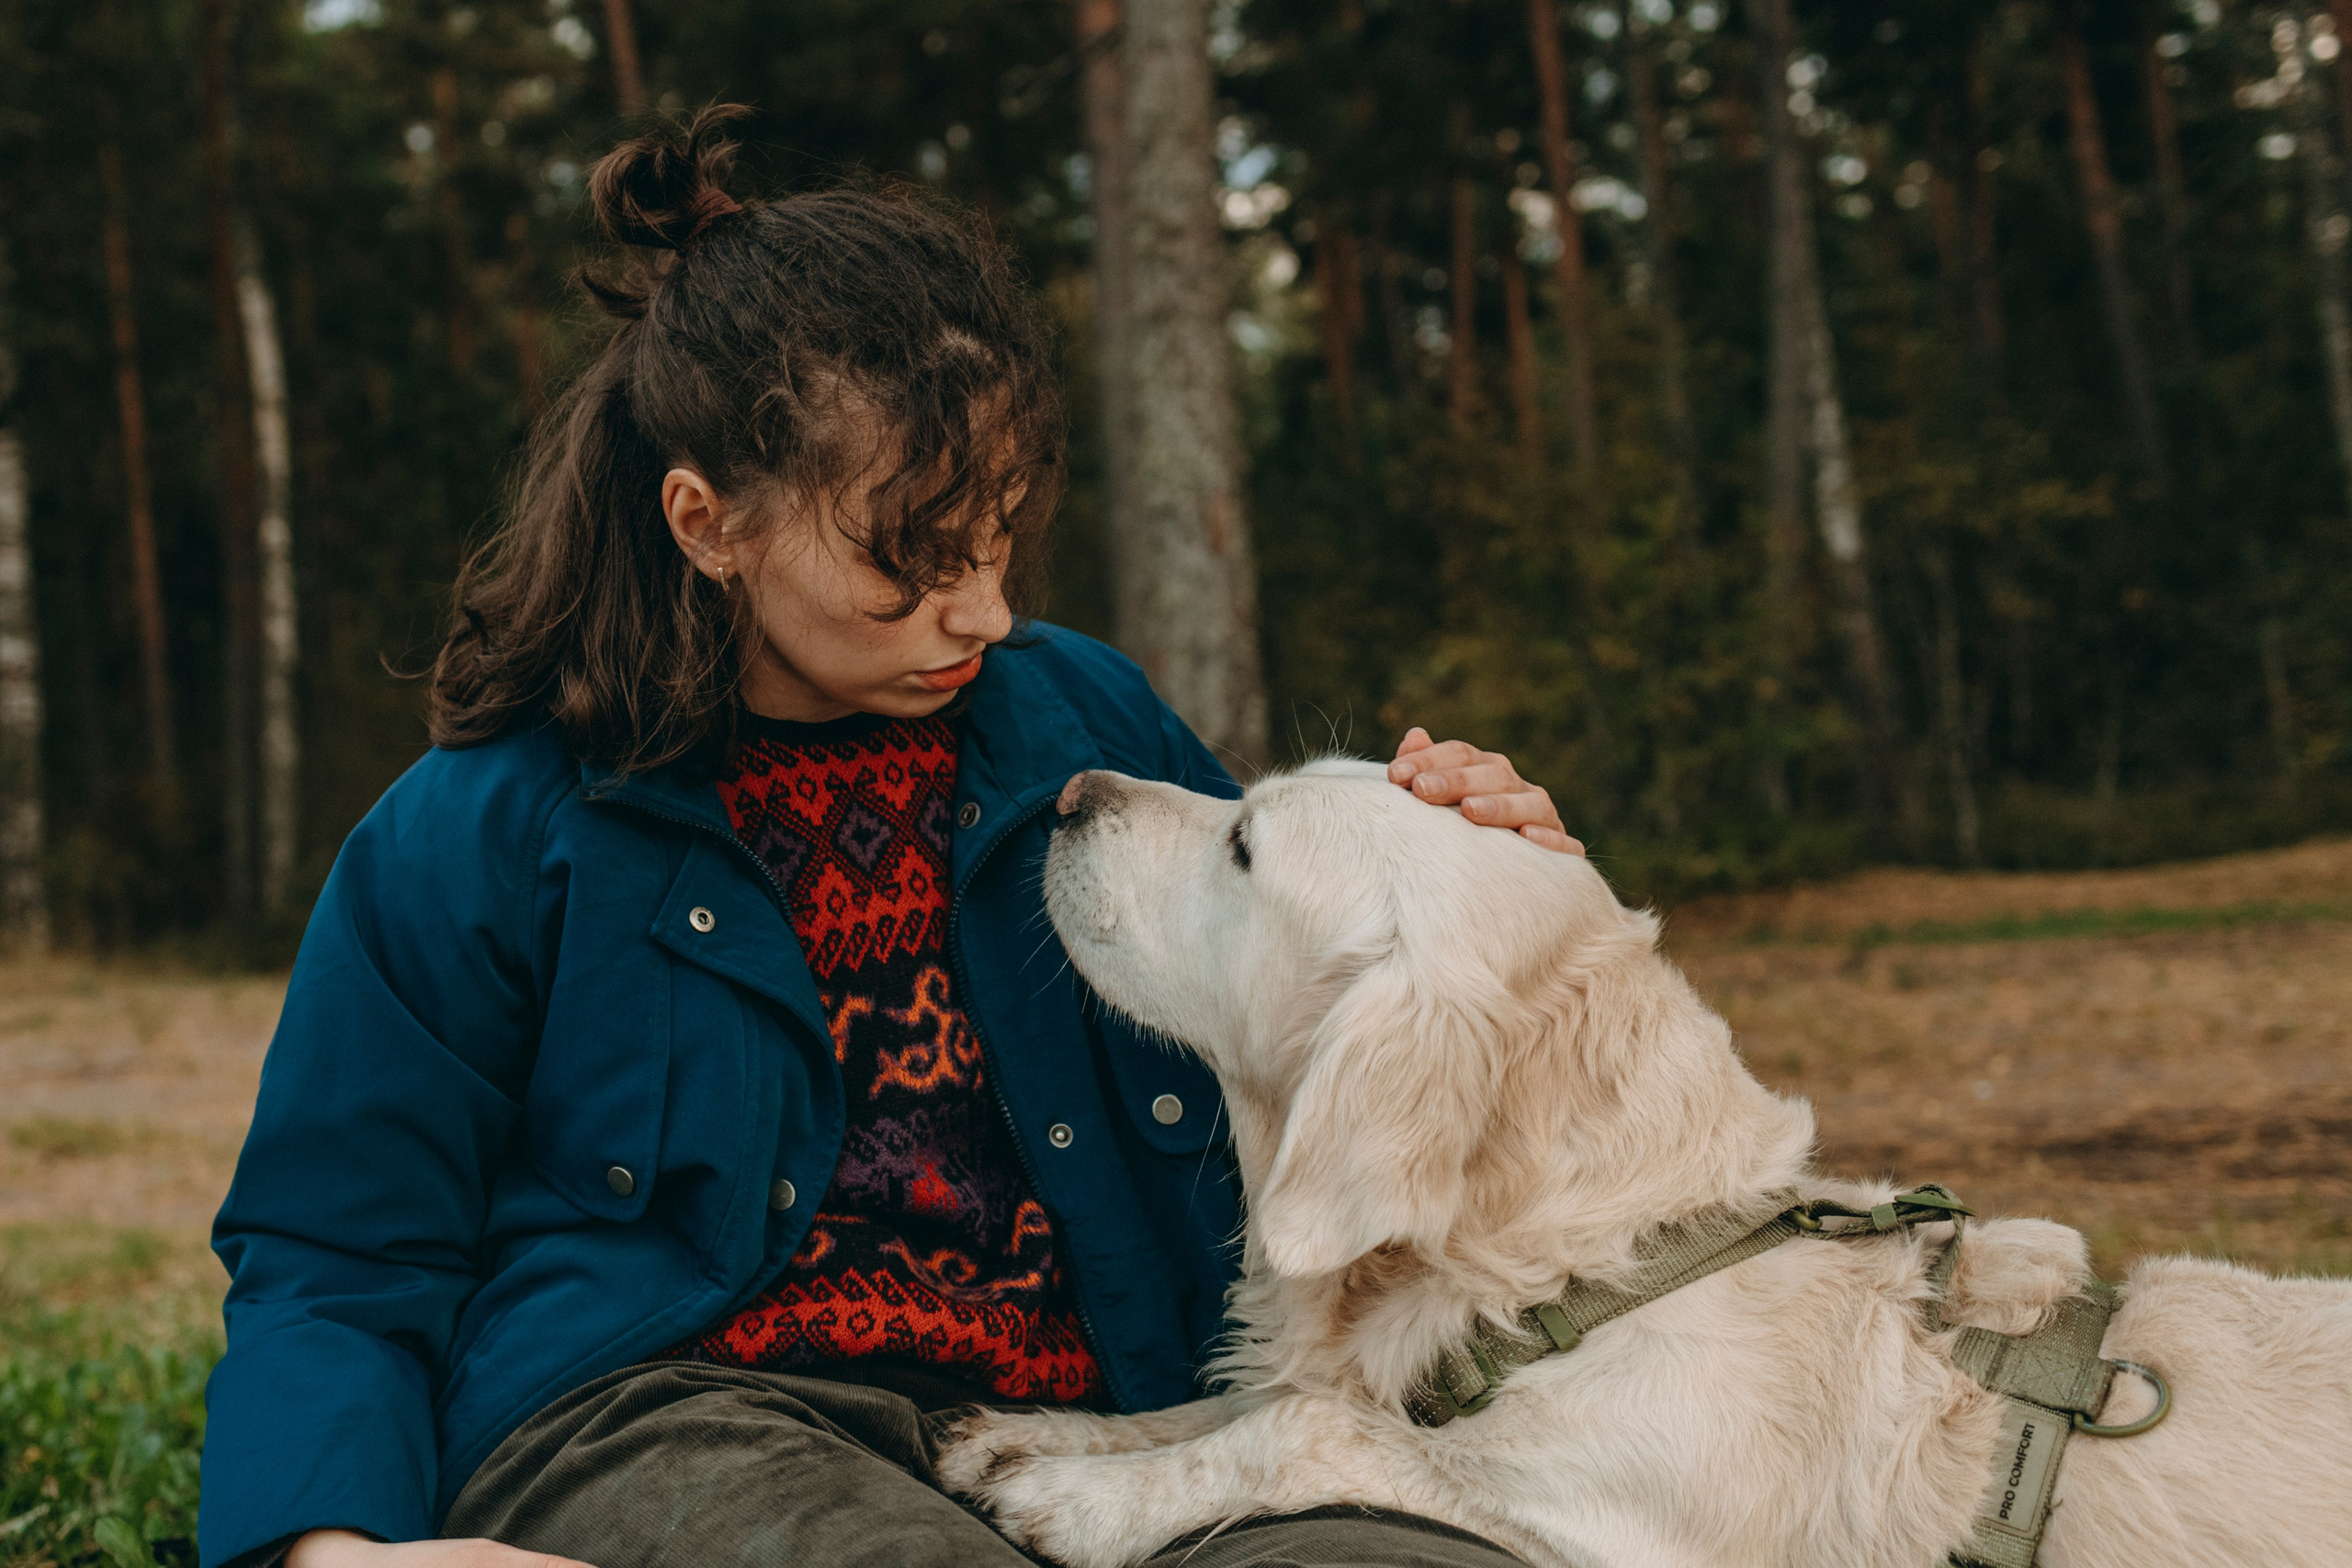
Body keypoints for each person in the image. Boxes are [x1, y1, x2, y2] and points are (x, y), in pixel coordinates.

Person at [198, 107, 1577, 1568]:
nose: (980, 610)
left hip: (1131, 1414)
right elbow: (337, 1254)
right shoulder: (479, 829)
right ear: (707, 521)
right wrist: (327, 1551)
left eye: (1000, 535)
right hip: (678, 1421)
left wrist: (1500, 893)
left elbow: (1317, 1009)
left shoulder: (1084, 717)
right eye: (909, 563)